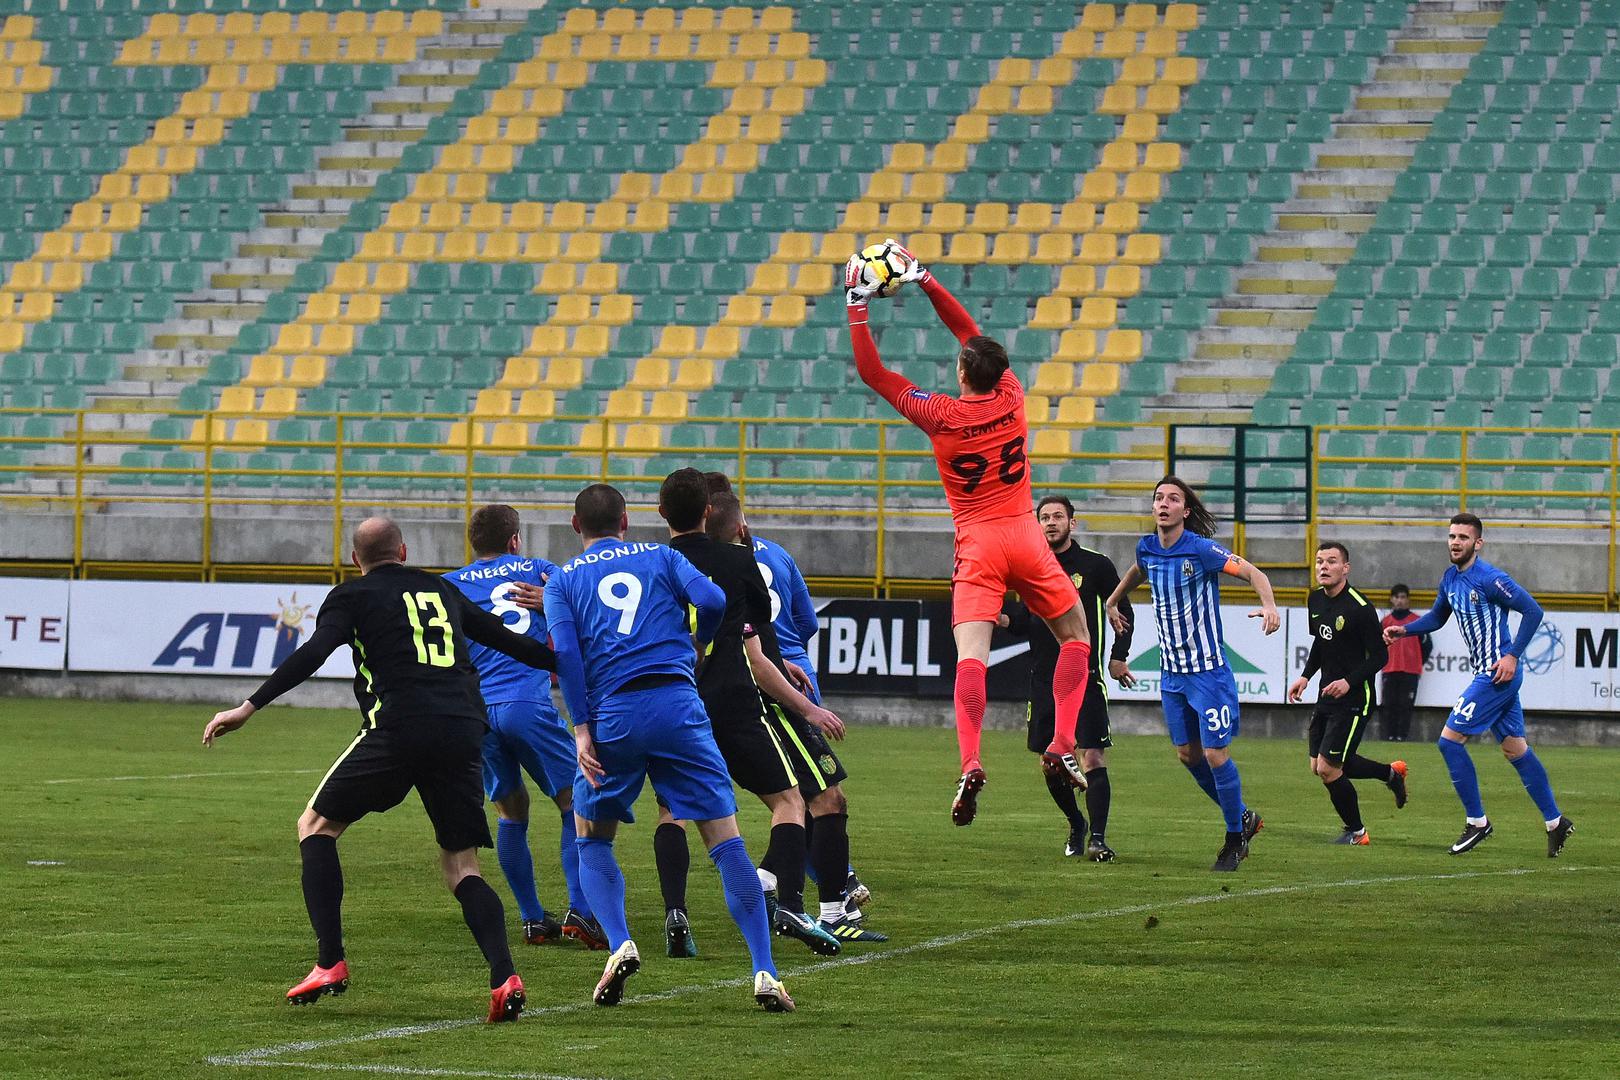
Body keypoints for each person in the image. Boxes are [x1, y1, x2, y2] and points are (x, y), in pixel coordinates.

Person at [202, 517, 555, 1023]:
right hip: (462, 729)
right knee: (463, 868)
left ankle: (330, 961)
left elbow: (314, 653)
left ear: (355, 560)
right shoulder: (439, 589)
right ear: (404, 551)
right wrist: (578, 666)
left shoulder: (350, 596)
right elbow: (510, 641)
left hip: (399, 726)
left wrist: (248, 706)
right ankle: (505, 977)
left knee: (315, 827)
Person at [845, 240, 1094, 827]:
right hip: (1025, 533)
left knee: (972, 657)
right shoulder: (1012, 395)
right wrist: (925, 278)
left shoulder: (941, 415)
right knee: (1077, 637)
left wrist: (857, 304)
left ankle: (971, 760)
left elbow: (873, 373)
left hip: (978, 541)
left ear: (961, 373)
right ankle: (1062, 744)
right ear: (999, 373)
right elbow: (970, 332)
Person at [543, 484, 794, 1011]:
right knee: (726, 842)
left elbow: (565, 654)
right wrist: (699, 640)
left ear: (575, 525)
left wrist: (582, 729)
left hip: (614, 716)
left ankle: (620, 943)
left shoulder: (564, 579)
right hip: (678, 705)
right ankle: (765, 971)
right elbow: (713, 600)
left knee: (593, 839)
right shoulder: (662, 556)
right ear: (626, 521)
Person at [657, 469, 844, 957]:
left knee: (672, 811)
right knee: (789, 801)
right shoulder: (741, 562)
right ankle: (791, 904)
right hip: (734, 702)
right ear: (708, 511)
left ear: (660, 512)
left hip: (677, 704)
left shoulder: (653, 563)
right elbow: (754, 646)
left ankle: (676, 911)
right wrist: (806, 704)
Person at [706, 492, 885, 944]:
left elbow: (744, 643)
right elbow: (765, 649)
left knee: (800, 803)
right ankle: (827, 910)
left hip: (740, 697)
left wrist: (777, 660)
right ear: (740, 526)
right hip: (769, 704)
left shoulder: (695, 569)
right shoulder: (743, 567)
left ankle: (770, 885)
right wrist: (808, 707)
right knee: (825, 800)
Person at [444, 504, 605, 950]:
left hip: (478, 712)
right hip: (526, 704)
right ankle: (581, 910)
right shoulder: (538, 569)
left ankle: (533, 918)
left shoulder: (450, 584)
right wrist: (551, 598)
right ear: (515, 539)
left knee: (510, 812)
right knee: (575, 802)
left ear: (473, 543)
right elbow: (587, 602)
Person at [1103, 477, 1278, 872]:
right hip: (1172, 675)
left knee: (1216, 754)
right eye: (1158, 498)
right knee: (1188, 755)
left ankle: (1234, 838)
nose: (1164, 504)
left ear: (1185, 510)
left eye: (1173, 499)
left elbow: (1254, 573)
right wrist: (1113, 601)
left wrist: (1269, 605)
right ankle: (1243, 816)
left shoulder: (1200, 549)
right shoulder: (1147, 547)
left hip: (1208, 673)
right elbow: (1137, 571)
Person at [1384, 513, 1574, 857]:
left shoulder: (1490, 578)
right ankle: (1555, 821)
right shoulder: (1450, 578)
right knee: (1515, 750)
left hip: (1496, 673)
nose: (1456, 542)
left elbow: (1533, 611)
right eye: (1452, 536)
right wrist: (1405, 630)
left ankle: (1477, 822)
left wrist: (1512, 655)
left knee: (1448, 741)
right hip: (1489, 674)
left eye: (1463, 537)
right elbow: (1438, 617)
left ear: (1478, 543)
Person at [999, 495, 1135, 862]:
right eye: (1044, 517)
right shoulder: (1030, 569)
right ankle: (1076, 823)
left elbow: (1123, 609)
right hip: (1044, 680)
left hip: (1084, 676)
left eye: (1058, 516)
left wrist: (1118, 657)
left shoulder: (1095, 565)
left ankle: (1098, 839)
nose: (1051, 522)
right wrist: (1001, 619)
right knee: (1050, 762)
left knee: (1093, 755)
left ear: (1072, 523)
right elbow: (1026, 621)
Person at [1287, 542, 1408, 845]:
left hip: (1354, 698)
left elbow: (1380, 656)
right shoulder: (1315, 599)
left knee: (1328, 768)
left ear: (1345, 568)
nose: (1323, 567)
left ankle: (1357, 833)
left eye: (1331, 561)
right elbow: (1321, 642)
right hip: (1327, 695)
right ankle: (1390, 774)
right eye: (1319, 561)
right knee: (1320, 766)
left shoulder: (1360, 608)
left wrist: (1348, 682)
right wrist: (1305, 676)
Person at [1379, 585, 1430, 742]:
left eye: (1403, 597)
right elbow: (1378, 646)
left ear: (1408, 599)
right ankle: (1389, 736)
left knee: (1405, 705)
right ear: (1391, 599)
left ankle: (1402, 736)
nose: (1400, 601)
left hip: (1410, 670)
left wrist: (1417, 662)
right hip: (1390, 669)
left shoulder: (1417, 621)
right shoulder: (1386, 622)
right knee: (1389, 704)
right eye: (1397, 597)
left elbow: (1427, 645)